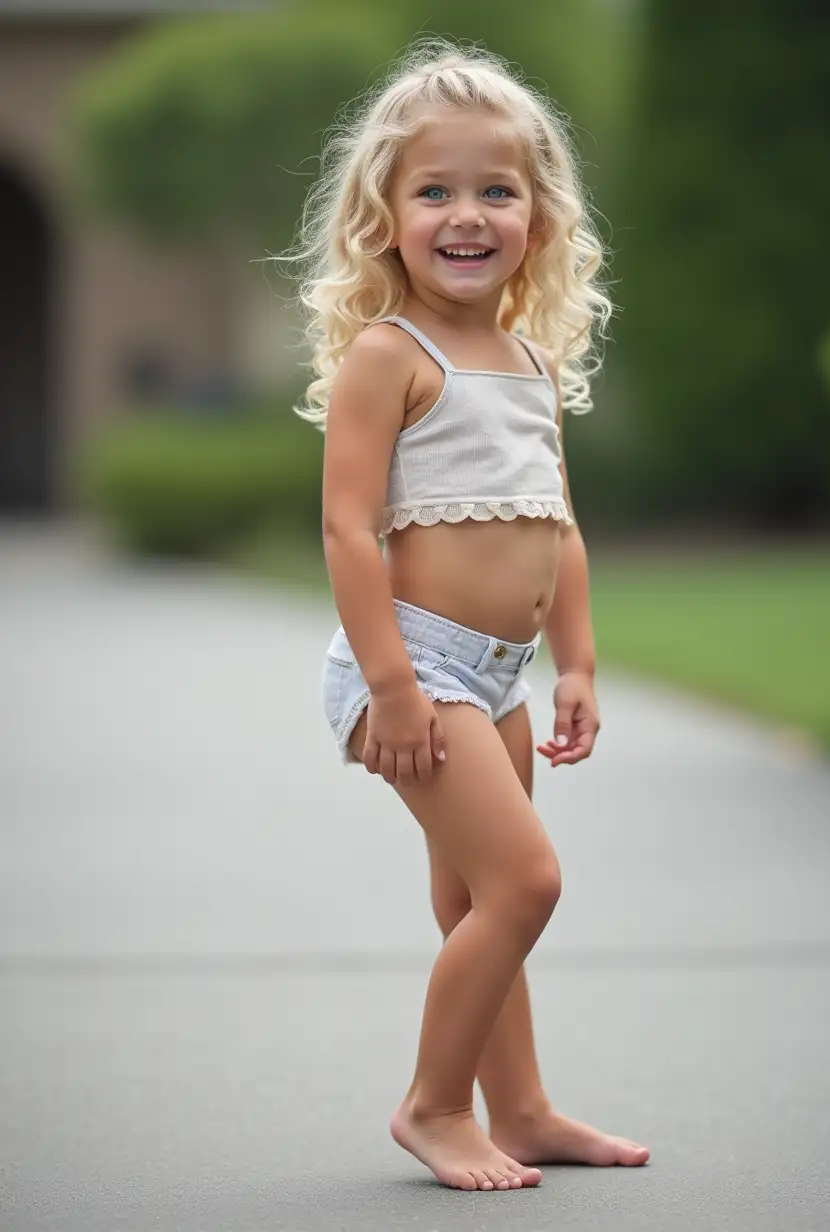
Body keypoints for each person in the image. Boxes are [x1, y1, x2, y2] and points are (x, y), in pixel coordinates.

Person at [297, 39, 650, 1193]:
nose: (466, 213)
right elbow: (351, 532)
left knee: (471, 896)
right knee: (526, 883)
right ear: (383, 218)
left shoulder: (529, 360)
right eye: (433, 190)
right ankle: (434, 1104)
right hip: (414, 666)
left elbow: (558, 523)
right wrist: (396, 685)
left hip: (496, 673)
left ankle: (526, 1107)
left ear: (538, 218)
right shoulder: (386, 357)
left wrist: (578, 663)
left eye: (495, 190)